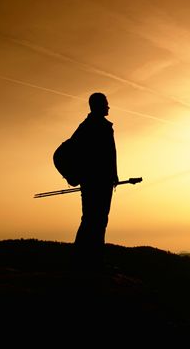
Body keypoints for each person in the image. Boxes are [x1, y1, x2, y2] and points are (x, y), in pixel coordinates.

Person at [72, 92, 118, 269]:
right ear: (98, 105)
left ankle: (85, 259)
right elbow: (105, 155)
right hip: (98, 182)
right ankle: (91, 261)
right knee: (96, 220)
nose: (108, 106)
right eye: (106, 103)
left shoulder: (86, 126)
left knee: (93, 219)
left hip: (96, 181)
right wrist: (108, 175)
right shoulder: (96, 126)